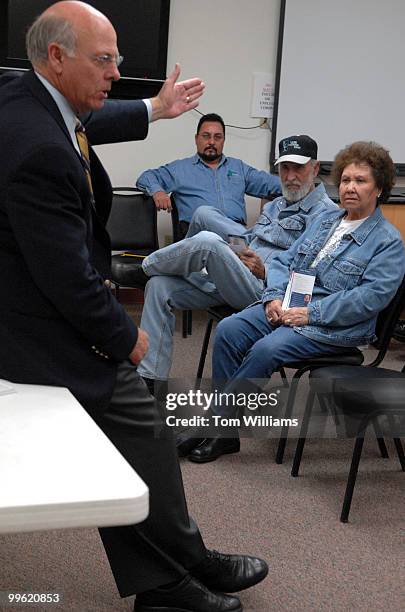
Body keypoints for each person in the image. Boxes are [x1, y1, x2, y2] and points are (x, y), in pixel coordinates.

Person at [0, 3, 268, 611]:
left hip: (27, 302)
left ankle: (169, 575)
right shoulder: (38, 148)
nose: (117, 72)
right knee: (141, 431)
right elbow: (67, 276)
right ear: (58, 57)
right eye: (105, 59)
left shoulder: (22, 92)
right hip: (32, 325)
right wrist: (125, 338)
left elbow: (86, 116)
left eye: (117, 58)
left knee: (132, 438)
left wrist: (157, 107)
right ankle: (176, 575)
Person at [190, 141, 405, 463]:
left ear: (379, 188)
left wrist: (311, 313)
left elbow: (369, 298)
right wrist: (274, 297)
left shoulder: (387, 241)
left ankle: (215, 425)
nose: (350, 187)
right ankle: (226, 434)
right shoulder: (326, 222)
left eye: (360, 181)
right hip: (290, 306)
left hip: (334, 326)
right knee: (231, 329)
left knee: (267, 348)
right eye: (346, 180)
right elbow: (281, 262)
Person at [138, 135, 337, 393]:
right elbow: (256, 239)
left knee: (208, 242)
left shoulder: (326, 215)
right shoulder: (276, 204)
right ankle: (151, 381)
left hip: (267, 294)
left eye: (298, 168)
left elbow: (315, 278)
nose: (290, 176)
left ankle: (144, 266)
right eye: (284, 168)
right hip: (240, 274)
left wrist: (265, 270)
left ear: (315, 168)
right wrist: (240, 253)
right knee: (159, 285)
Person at [136, 112, 281, 231]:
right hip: (200, 238)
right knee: (204, 213)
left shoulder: (239, 168)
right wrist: (158, 191)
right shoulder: (180, 169)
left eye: (217, 137)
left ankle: (245, 241)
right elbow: (146, 177)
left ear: (223, 140)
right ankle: (247, 241)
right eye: (206, 136)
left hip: (233, 241)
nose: (211, 142)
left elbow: (274, 184)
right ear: (196, 139)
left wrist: (298, 183)